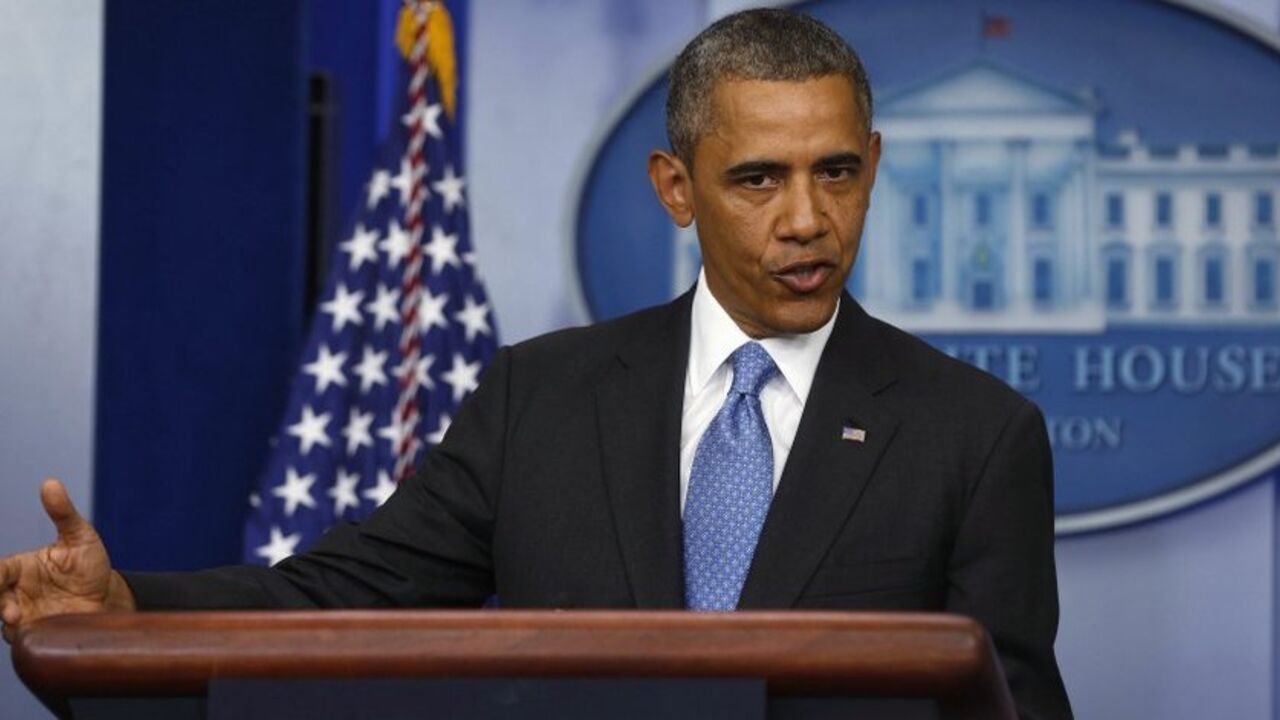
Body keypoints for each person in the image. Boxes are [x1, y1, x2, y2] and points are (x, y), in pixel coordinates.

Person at [0, 8, 1071, 718]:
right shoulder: (541, 398)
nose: (806, 219)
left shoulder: (972, 437)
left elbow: (1011, 706)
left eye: (835, 171)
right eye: (756, 180)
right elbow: (346, 595)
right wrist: (129, 604)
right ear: (674, 187)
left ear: (872, 167)